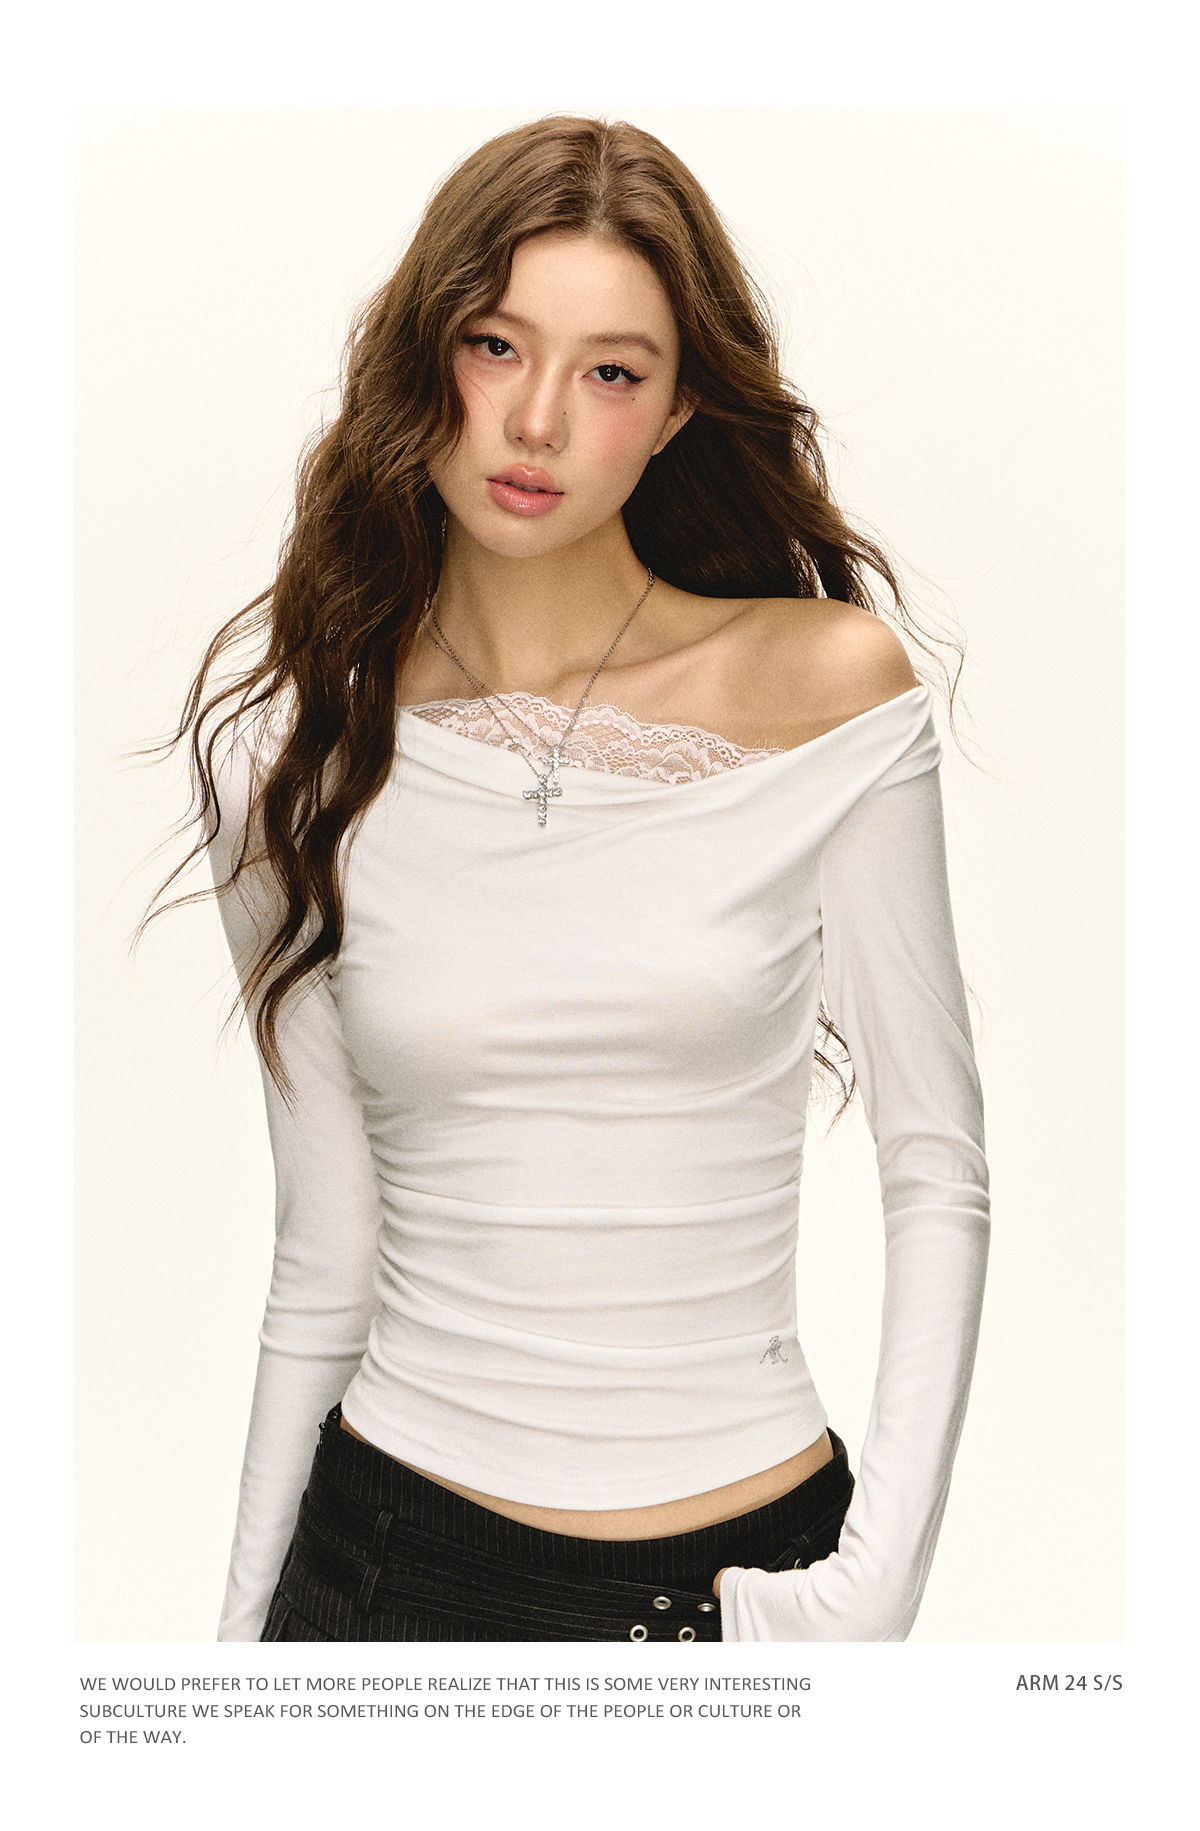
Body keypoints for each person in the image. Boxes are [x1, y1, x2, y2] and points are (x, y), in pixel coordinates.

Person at [183, 115, 990, 1643]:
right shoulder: (291, 751)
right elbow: (325, 1246)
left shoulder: (829, 690)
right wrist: (233, 1673)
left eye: (612, 372)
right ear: (423, 354)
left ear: (681, 410)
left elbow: (937, 1165)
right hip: (386, 1572)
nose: (537, 420)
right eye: (495, 345)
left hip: (748, 1586)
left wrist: (873, 1593)